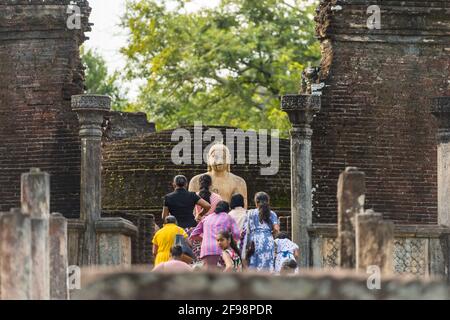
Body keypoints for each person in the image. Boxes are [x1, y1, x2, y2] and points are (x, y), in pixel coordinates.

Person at [190, 201, 240, 270]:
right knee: (222, 272)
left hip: (206, 249)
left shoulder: (206, 218)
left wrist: (204, 240)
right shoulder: (228, 218)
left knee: (209, 275)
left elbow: (193, 235)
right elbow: (237, 235)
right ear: (227, 210)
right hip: (221, 249)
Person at [243, 192, 280, 273]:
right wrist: (271, 234)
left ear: (256, 202)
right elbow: (276, 229)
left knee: (254, 263)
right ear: (268, 202)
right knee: (267, 264)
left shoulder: (250, 213)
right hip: (268, 239)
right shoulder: (272, 214)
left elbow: (245, 230)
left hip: (254, 240)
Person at [192, 174, 222, 261]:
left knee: (198, 256)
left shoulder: (195, 196)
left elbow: (194, 213)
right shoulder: (218, 198)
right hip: (213, 230)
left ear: (199, 184)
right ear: (210, 184)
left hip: (198, 229)